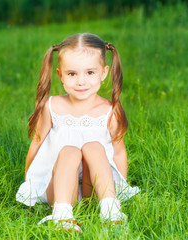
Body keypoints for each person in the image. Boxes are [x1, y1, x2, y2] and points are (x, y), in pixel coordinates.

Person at [16, 33, 140, 233]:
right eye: (72, 74)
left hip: (94, 190)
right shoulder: (53, 106)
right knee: (70, 151)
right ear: (60, 75)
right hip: (59, 190)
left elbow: (118, 152)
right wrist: (28, 183)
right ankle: (62, 216)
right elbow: (37, 144)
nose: (81, 81)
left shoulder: (110, 111)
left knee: (94, 147)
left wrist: (120, 189)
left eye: (90, 72)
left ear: (103, 72)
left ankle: (110, 209)